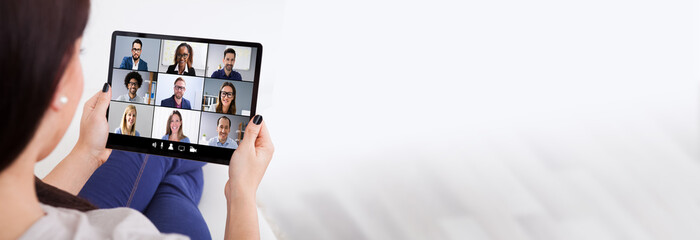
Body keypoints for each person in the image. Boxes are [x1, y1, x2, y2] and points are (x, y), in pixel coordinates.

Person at [1, 0, 274, 239]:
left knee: (158, 149)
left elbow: (42, 201)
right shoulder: (124, 233)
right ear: (55, 87)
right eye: (79, 52)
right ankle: (186, 164)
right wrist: (242, 191)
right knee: (170, 164)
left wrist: (89, 151)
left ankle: (180, 163)